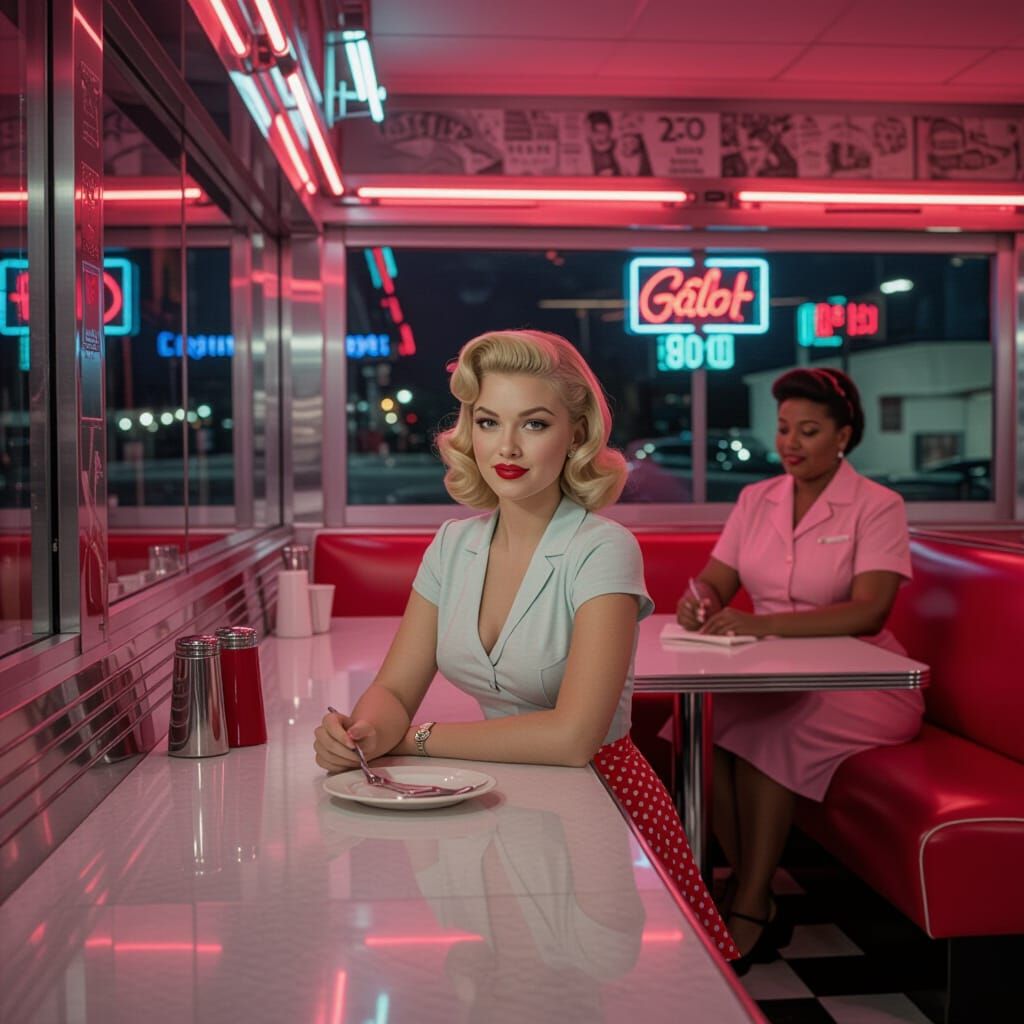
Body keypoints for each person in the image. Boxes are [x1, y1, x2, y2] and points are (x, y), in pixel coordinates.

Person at [315, 329, 738, 960]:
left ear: (576, 434)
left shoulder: (603, 548)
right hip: (499, 794)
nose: (506, 447)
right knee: (514, 971)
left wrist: (411, 741)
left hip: (602, 800)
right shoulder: (452, 546)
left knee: (604, 981)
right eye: (488, 422)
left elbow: (573, 738)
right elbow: (395, 687)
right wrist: (362, 734)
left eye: (534, 424)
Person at [676, 366, 924, 973]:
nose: (791, 443)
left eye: (809, 430)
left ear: (844, 435)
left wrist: (759, 624)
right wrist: (701, 598)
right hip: (772, 671)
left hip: (865, 681)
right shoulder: (755, 499)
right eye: (784, 429)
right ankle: (746, 885)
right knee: (711, 724)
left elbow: (870, 611)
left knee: (771, 731)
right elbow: (718, 578)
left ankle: (753, 901)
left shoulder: (878, 505)